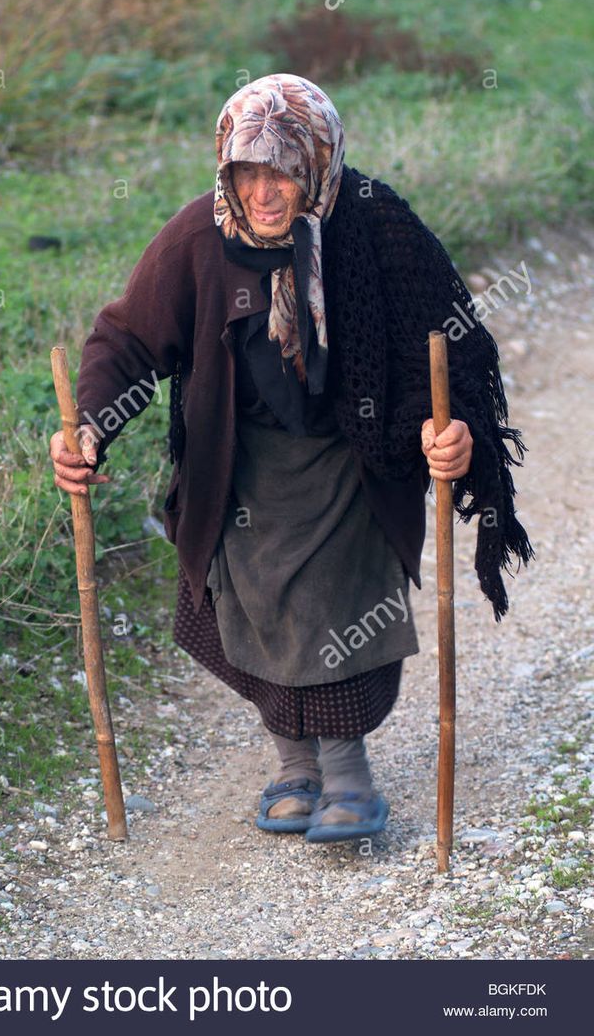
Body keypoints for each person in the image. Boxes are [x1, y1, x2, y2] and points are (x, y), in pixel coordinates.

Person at [50, 73, 533, 844]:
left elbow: (451, 345)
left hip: (351, 458)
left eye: (281, 171)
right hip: (240, 465)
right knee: (254, 610)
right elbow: (129, 339)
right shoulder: (199, 239)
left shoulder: (375, 225)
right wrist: (90, 427)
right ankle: (292, 766)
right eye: (247, 171)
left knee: (338, 604)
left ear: (317, 163)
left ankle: (346, 773)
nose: (265, 192)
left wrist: (455, 433)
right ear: (226, 170)